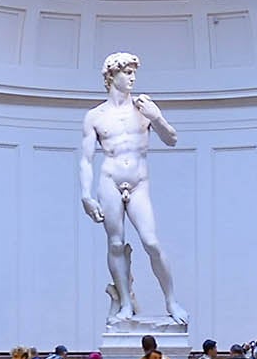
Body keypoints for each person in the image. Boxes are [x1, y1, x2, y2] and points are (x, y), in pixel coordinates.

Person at [78, 51, 187, 324]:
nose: (132, 77)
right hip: (109, 180)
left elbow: (172, 139)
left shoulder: (144, 108)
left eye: (134, 72)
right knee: (115, 244)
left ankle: (171, 301)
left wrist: (158, 117)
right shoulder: (95, 116)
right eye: (127, 72)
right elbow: (86, 160)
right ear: (111, 76)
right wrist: (86, 196)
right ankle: (126, 304)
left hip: (139, 182)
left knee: (151, 242)